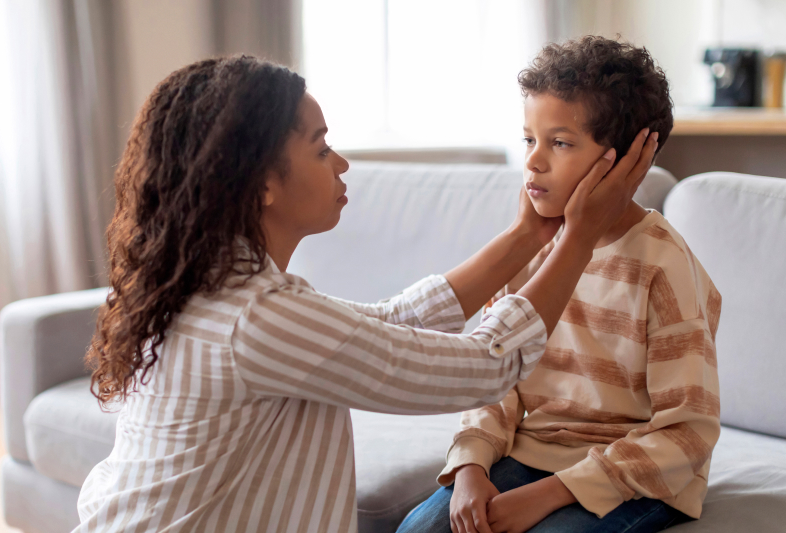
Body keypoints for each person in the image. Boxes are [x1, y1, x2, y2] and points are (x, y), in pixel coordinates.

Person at [75, 55, 656, 532]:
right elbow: (485, 366)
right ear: (262, 183)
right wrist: (577, 238)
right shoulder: (255, 317)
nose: (342, 162)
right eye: (321, 148)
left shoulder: (219, 289)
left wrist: (528, 234)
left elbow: (390, 322)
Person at [398, 36, 721, 533]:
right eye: (530, 139)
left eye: (560, 143)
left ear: (628, 159)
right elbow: (494, 381)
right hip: (532, 454)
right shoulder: (530, 252)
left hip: (637, 478)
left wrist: (549, 495)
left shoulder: (663, 265)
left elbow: (688, 433)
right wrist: (470, 466)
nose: (533, 161)